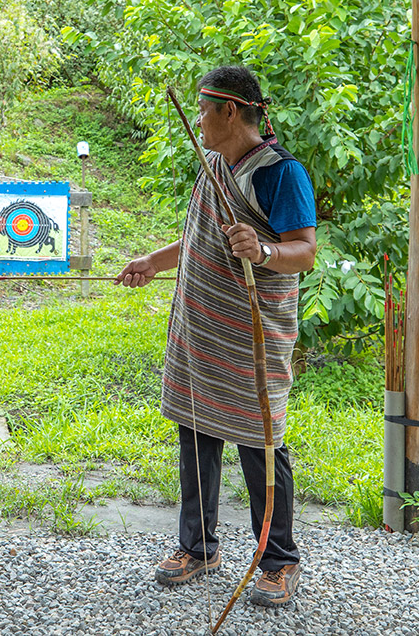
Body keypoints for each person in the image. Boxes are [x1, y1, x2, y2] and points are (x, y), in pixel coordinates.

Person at [116, 65, 317, 608]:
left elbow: (304, 250)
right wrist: (152, 263)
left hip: (252, 334)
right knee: (196, 431)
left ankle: (277, 561)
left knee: (260, 442)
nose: (198, 120)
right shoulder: (211, 165)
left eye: (205, 109)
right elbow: (195, 240)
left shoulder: (280, 173)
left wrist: (265, 250)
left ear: (230, 110)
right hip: (201, 326)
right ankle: (199, 547)